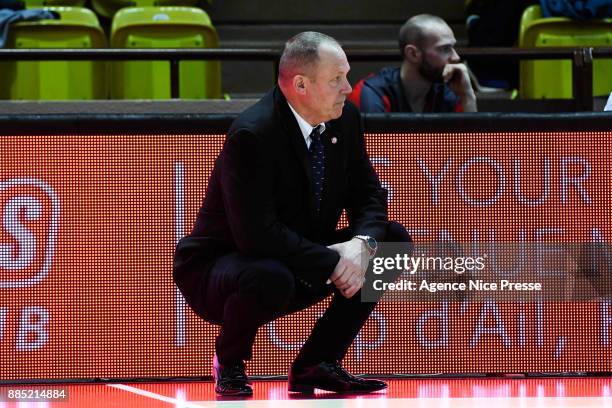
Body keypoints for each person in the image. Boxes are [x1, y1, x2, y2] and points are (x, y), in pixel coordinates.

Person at [173, 31, 411, 396]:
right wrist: (334, 262)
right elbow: (256, 234)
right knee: (270, 275)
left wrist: (361, 244)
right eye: (336, 79)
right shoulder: (253, 134)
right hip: (223, 266)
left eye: (345, 75)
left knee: (391, 242)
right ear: (301, 84)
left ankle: (317, 363)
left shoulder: (345, 119)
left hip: (298, 253)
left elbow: (368, 195)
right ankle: (230, 361)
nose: (348, 88)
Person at [349, 14, 477, 113]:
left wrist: (468, 96)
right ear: (413, 54)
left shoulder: (449, 92)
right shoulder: (371, 92)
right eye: (444, 49)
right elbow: (371, 147)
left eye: (453, 48)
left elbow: (471, 146)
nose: (456, 57)